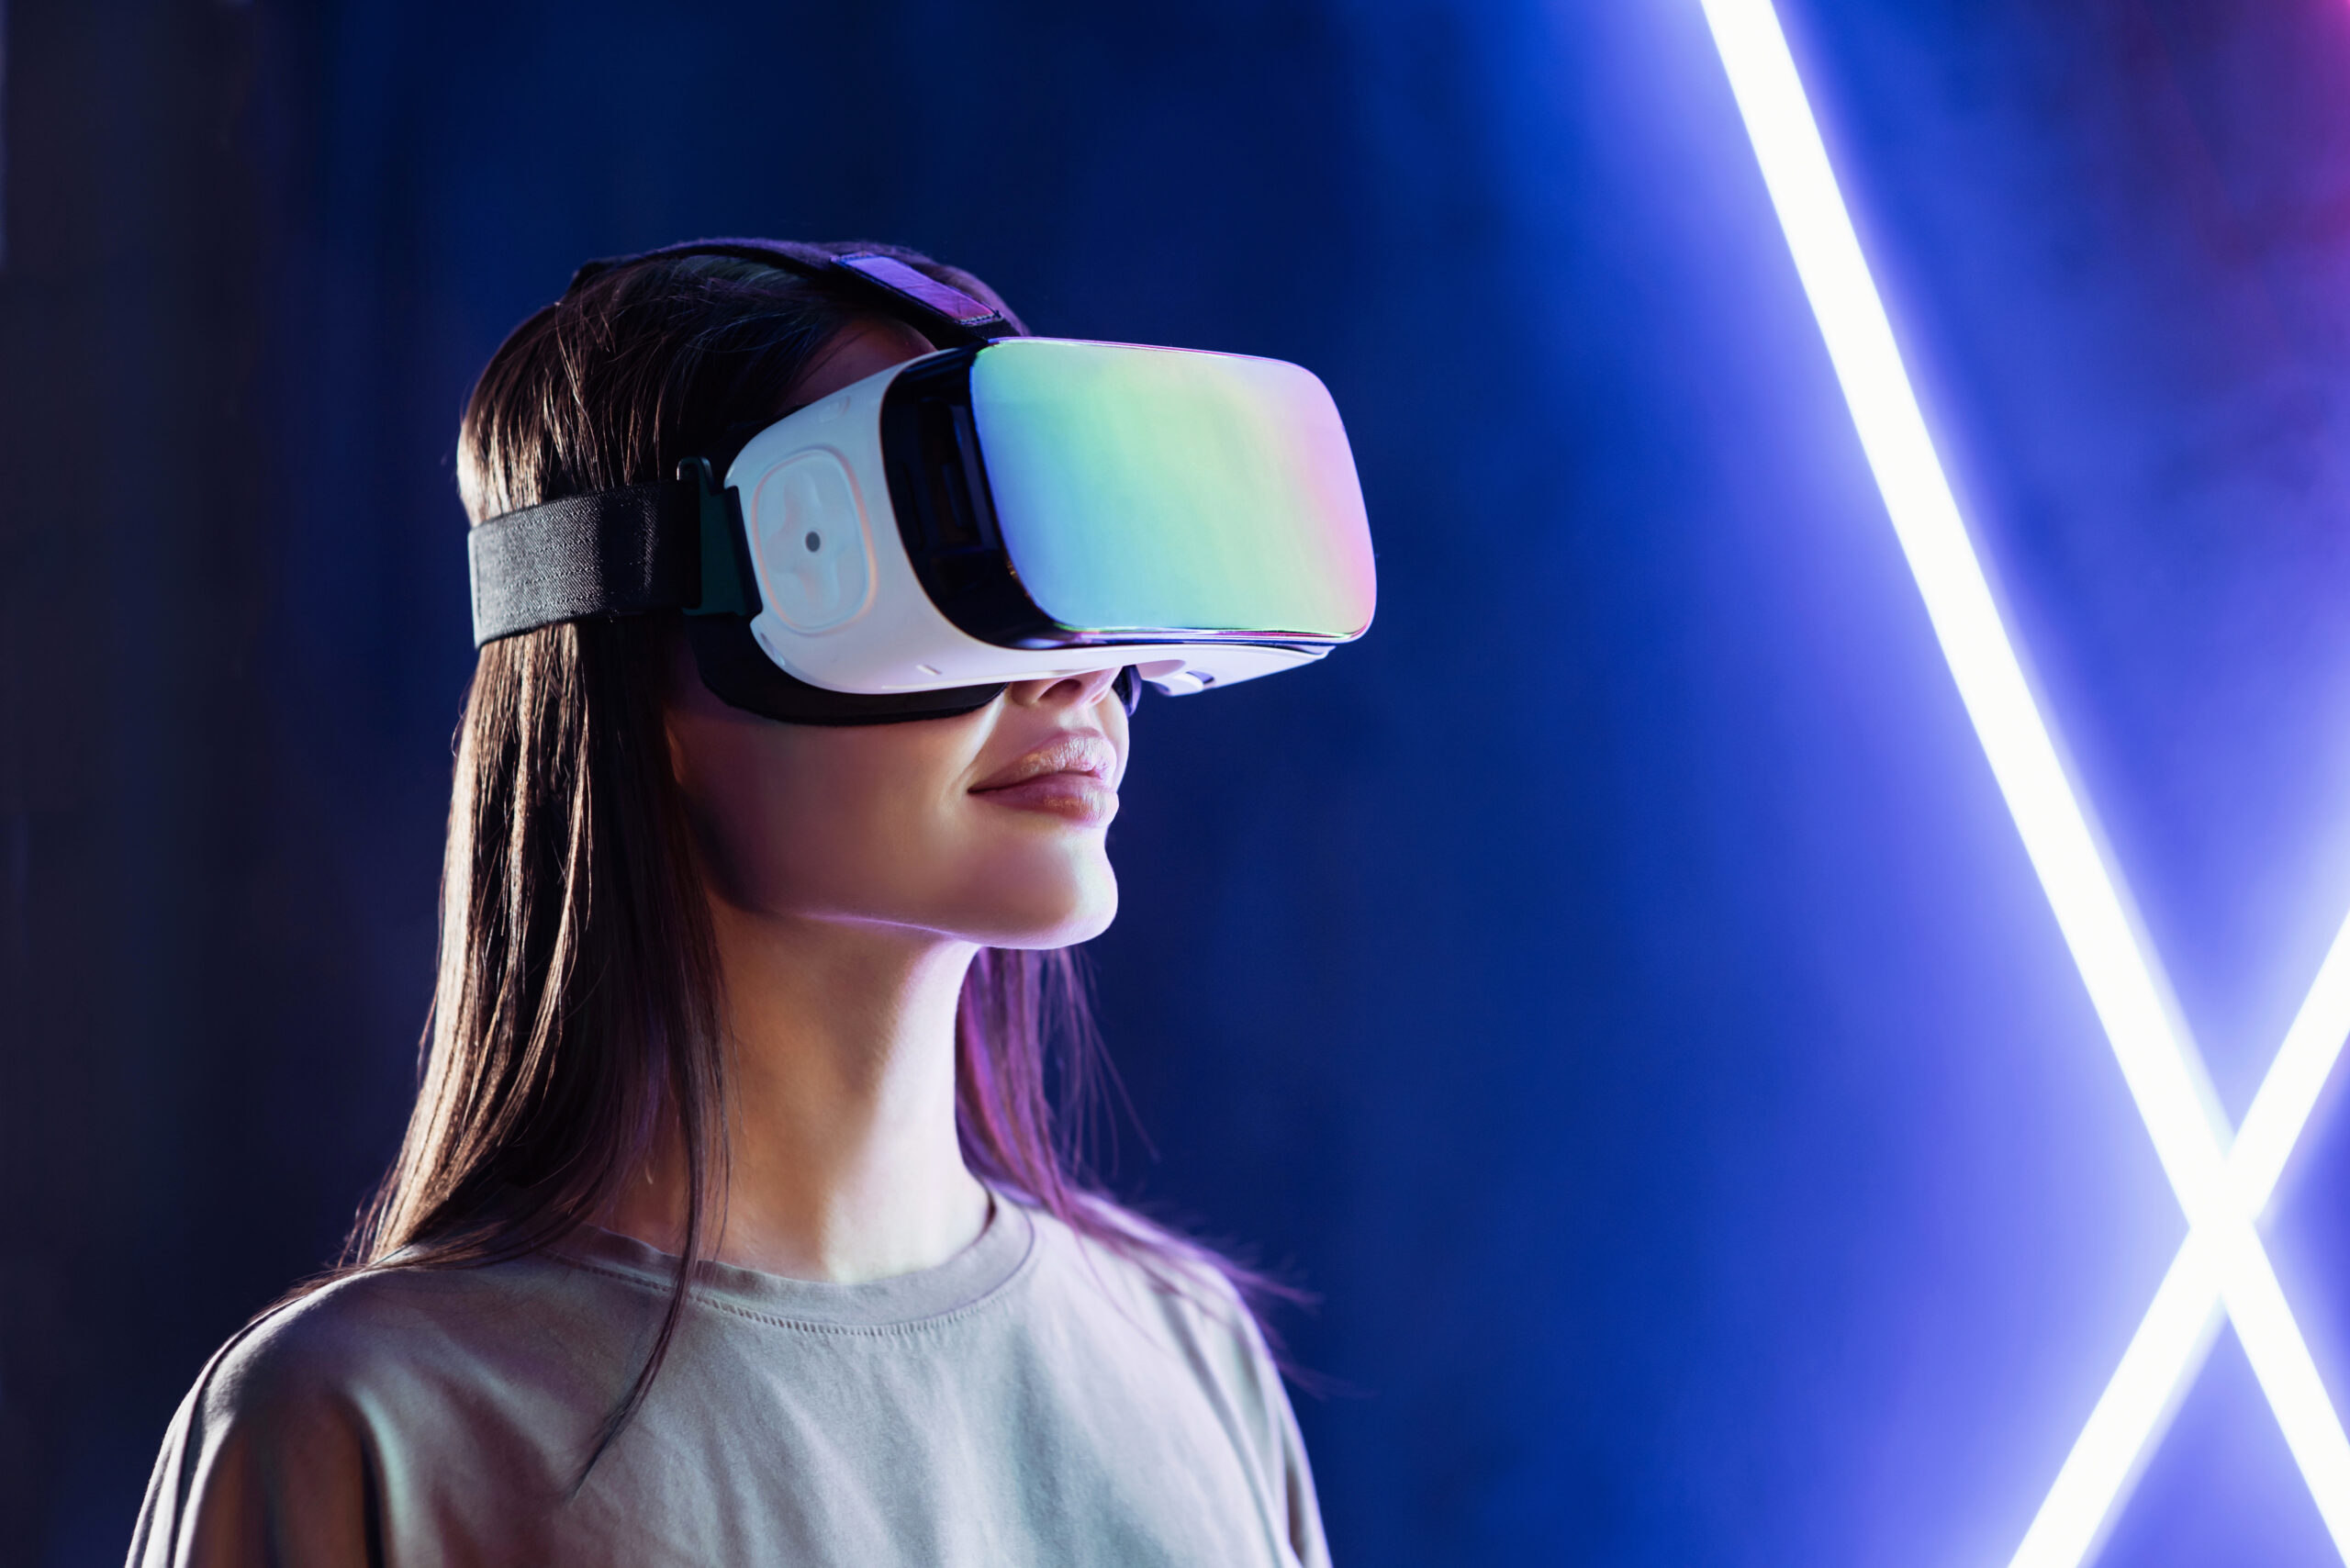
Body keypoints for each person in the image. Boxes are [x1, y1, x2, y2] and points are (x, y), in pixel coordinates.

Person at [129, 240, 1329, 1567]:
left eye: (1054, 567)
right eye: (937, 555)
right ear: (645, 681)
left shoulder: (1192, 1361)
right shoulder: (369, 1425)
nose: (1077, 679)